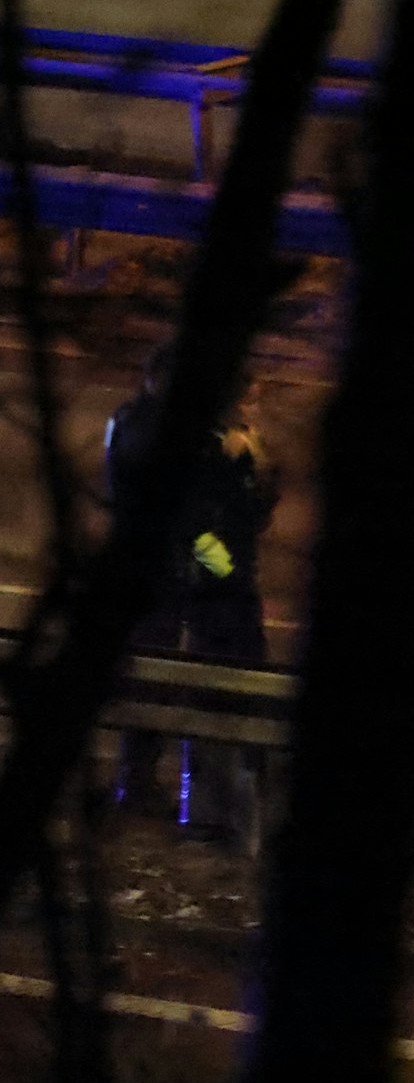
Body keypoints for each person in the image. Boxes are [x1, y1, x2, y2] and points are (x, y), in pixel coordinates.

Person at [176, 372, 280, 843]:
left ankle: (236, 810)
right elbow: (194, 527)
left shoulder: (238, 445)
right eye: (249, 400)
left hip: (236, 590)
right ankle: (205, 811)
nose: (254, 410)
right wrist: (229, 575)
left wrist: (259, 471)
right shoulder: (203, 446)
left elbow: (252, 517)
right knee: (210, 694)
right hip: (213, 593)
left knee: (244, 693)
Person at [104, 344, 182, 818]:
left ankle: (137, 776)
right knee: (151, 670)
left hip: (138, 562)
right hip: (152, 568)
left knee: (148, 670)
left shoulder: (127, 418)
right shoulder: (151, 424)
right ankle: (135, 780)